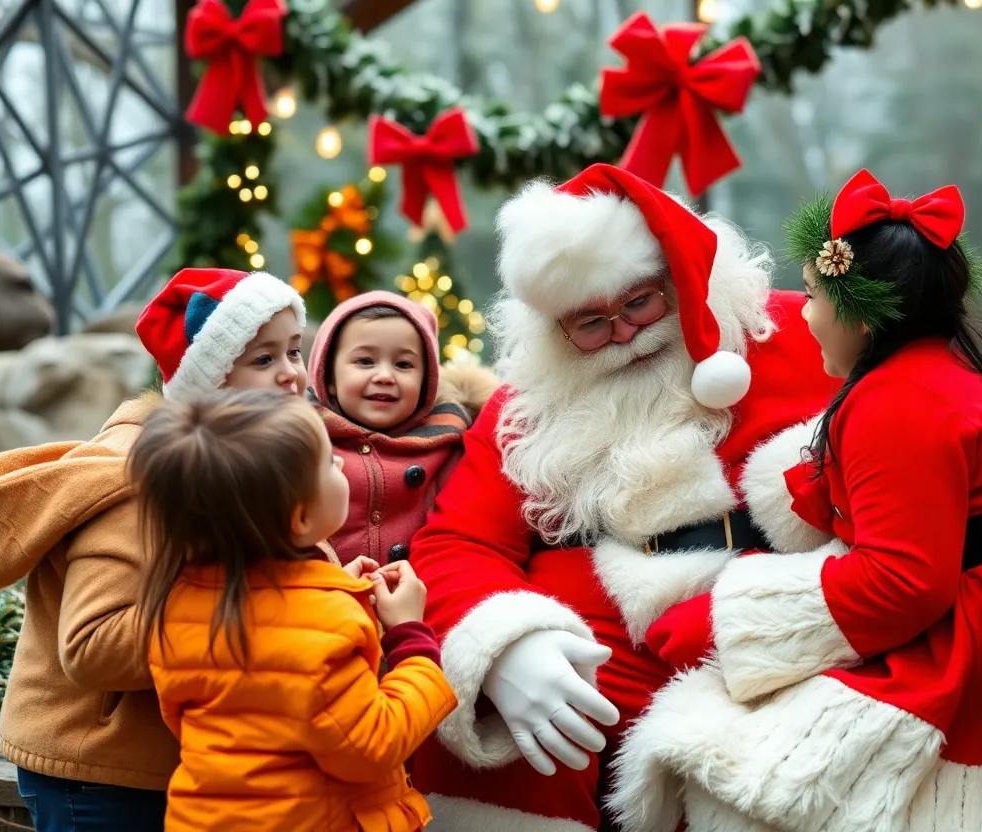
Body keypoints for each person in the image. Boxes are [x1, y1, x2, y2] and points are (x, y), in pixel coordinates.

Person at [609, 170, 982, 832]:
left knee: (754, 775)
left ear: (860, 315)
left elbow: (902, 583)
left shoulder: (893, 402)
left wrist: (730, 624)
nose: (805, 315)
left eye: (813, 296)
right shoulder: (953, 372)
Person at [404, 163, 840, 831]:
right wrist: (508, 645)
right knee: (489, 740)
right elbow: (458, 541)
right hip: (601, 653)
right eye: (591, 322)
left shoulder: (797, 334)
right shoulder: (528, 405)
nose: (626, 332)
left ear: (677, 276)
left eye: (640, 302)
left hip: (786, 634)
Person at [0, 268, 307, 831]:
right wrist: (257, 609)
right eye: (264, 359)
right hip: (101, 772)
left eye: (294, 351)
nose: (291, 374)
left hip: (182, 766)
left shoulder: (248, 466)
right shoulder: (143, 484)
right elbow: (93, 647)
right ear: (208, 378)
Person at [130, 390, 456, 831]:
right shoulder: (326, 621)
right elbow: (372, 745)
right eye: (327, 462)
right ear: (300, 519)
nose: (339, 461)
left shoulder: (180, 602)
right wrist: (412, 639)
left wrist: (336, 589)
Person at [307, 291, 499, 566]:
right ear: (329, 377)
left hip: (424, 586)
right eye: (365, 361)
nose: (385, 376)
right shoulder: (304, 441)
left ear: (426, 382)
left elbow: (467, 531)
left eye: (403, 364)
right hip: (326, 588)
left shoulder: (450, 443)